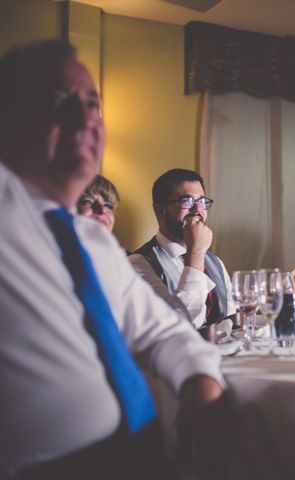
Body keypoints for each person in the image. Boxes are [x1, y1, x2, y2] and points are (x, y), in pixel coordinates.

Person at [0, 40, 233, 479]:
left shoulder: (92, 243)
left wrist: (201, 383)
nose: (87, 118)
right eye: (58, 102)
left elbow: (166, 330)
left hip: (143, 454)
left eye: (93, 104)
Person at [129, 169, 236, 337]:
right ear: (160, 210)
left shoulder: (215, 263)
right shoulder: (137, 264)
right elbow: (178, 326)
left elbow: (231, 319)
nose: (197, 209)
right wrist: (196, 252)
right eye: (186, 200)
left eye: (201, 200)